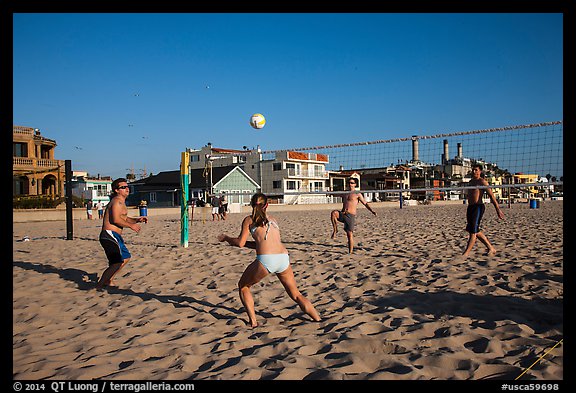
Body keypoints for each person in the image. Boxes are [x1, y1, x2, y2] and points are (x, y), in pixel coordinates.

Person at [217, 192, 321, 328]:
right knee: (296, 294)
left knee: (243, 286)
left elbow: (240, 243)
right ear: (267, 205)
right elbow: (263, 243)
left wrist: (226, 238)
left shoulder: (249, 220)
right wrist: (247, 243)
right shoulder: (273, 219)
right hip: (283, 257)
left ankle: (253, 322)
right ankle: (317, 319)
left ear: (251, 205)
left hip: (267, 260)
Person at [96, 178, 148, 289]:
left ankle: (108, 279)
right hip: (109, 234)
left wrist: (137, 220)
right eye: (123, 187)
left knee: (125, 257)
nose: (127, 189)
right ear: (116, 190)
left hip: (115, 236)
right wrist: (131, 226)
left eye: (127, 186)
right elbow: (115, 220)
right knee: (116, 262)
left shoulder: (121, 202)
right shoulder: (116, 202)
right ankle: (100, 285)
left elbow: (124, 218)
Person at [462, 164, 505, 258]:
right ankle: (491, 248)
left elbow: (492, 196)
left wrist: (498, 209)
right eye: (473, 170)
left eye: (476, 170)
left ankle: (466, 254)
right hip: (470, 207)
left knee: (473, 232)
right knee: (474, 230)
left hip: (478, 207)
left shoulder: (482, 182)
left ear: (480, 171)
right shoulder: (471, 182)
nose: (474, 172)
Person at [330, 177, 377, 253]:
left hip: (350, 215)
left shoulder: (357, 194)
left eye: (352, 183)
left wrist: (372, 211)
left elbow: (365, 203)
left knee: (349, 234)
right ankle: (335, 230)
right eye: (349, 183)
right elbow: (335, 194)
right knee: (333, 213)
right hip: (343, 214)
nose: (350, 184)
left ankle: (350, 252)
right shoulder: (345, 193)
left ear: (355, 184)